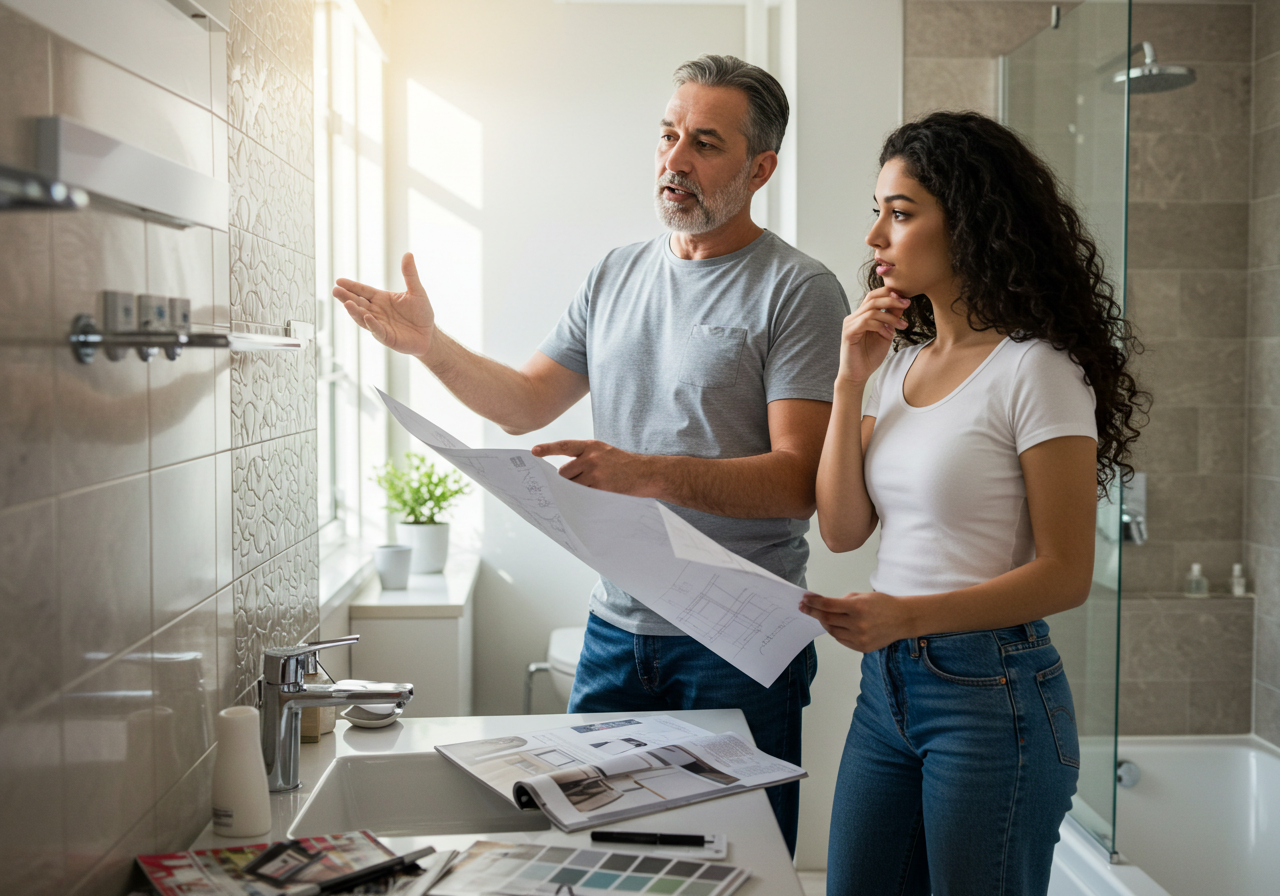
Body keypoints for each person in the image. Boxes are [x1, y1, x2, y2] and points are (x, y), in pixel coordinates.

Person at [332, 54, 849, 853]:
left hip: (736, 643)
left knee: (738, 862)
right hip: (615, 629)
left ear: (761, 169)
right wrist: (429, 345)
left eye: (706, 143)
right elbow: (525, 404)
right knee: (592, 857)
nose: (675, 160)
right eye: (668, 135)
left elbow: (796, 483)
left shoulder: (798, 289)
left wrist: (645, 472)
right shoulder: (616, 273)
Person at [799, 111, 1146, 894]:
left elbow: (1066, 573)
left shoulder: (1037, 370)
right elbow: (842, 528)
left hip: (992, 697)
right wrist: (849, 379)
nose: (875, 237)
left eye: (900, 213)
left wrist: (907, 616)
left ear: (970, 221)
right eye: (878, 212)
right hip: (886, 690)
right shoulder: (897, 366)